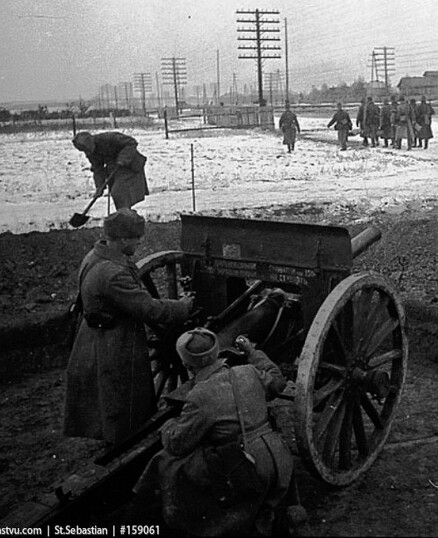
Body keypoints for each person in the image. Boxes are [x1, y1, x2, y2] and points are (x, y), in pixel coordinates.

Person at [134, 328, 293, 537]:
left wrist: (169, 426)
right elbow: (277, 381)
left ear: (187, 364)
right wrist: (252, 352)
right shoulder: (249, 371)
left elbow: (178, 444)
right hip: (280, 458)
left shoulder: (200, 395)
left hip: (248, 468)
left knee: (168, 461)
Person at [63, 209, 195, 444]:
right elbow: (149, 309)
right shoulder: (113, 274)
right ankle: (122, 442)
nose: (139, 241)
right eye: (136, 237)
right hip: (113, 342)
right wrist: (183, 307)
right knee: (118, 393)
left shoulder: (94, 257)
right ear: (122, 239)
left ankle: (111, 436)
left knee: (105, 394)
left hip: (92, 337)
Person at [72, 131, 149, 210]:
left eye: (87, 148)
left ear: (90, 142)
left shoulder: (108, 138)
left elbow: (131, 142)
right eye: (84, 150)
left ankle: (125, 214)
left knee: (118, 191)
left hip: (130, 164)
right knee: (117, 192)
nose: (87, 152)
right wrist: (99, 186)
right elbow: (98, 169)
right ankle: (124, 214)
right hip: (115, 168)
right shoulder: (90, 152)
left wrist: (123, 159)